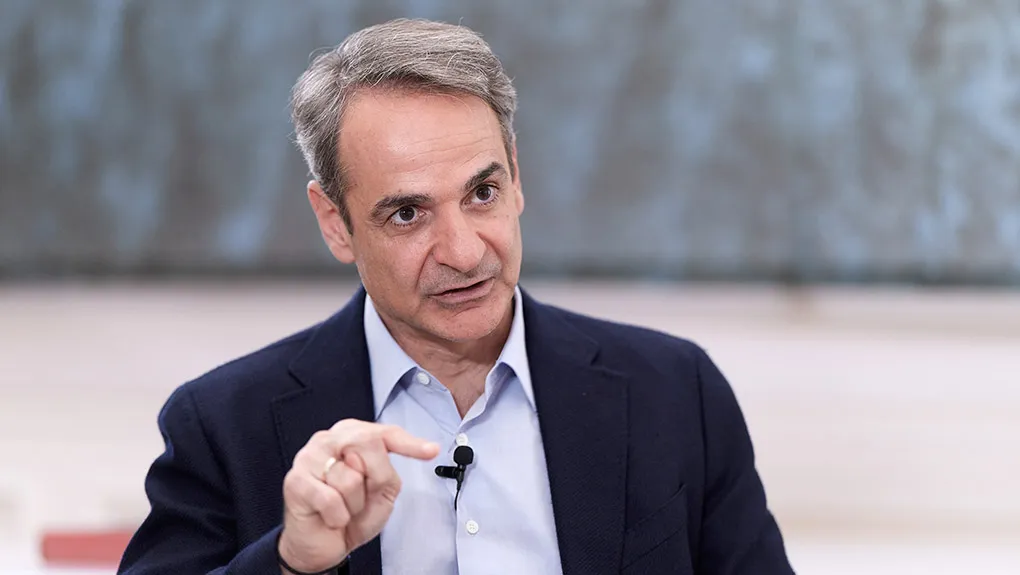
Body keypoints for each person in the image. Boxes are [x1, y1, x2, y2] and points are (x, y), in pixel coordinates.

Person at [117, 18, 794, 575]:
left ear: (517, 177)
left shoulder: (675, 393)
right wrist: (292, 563)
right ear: (335, 224)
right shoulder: (222, 425)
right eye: (407, 213)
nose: (465, 252)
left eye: (482, 192)